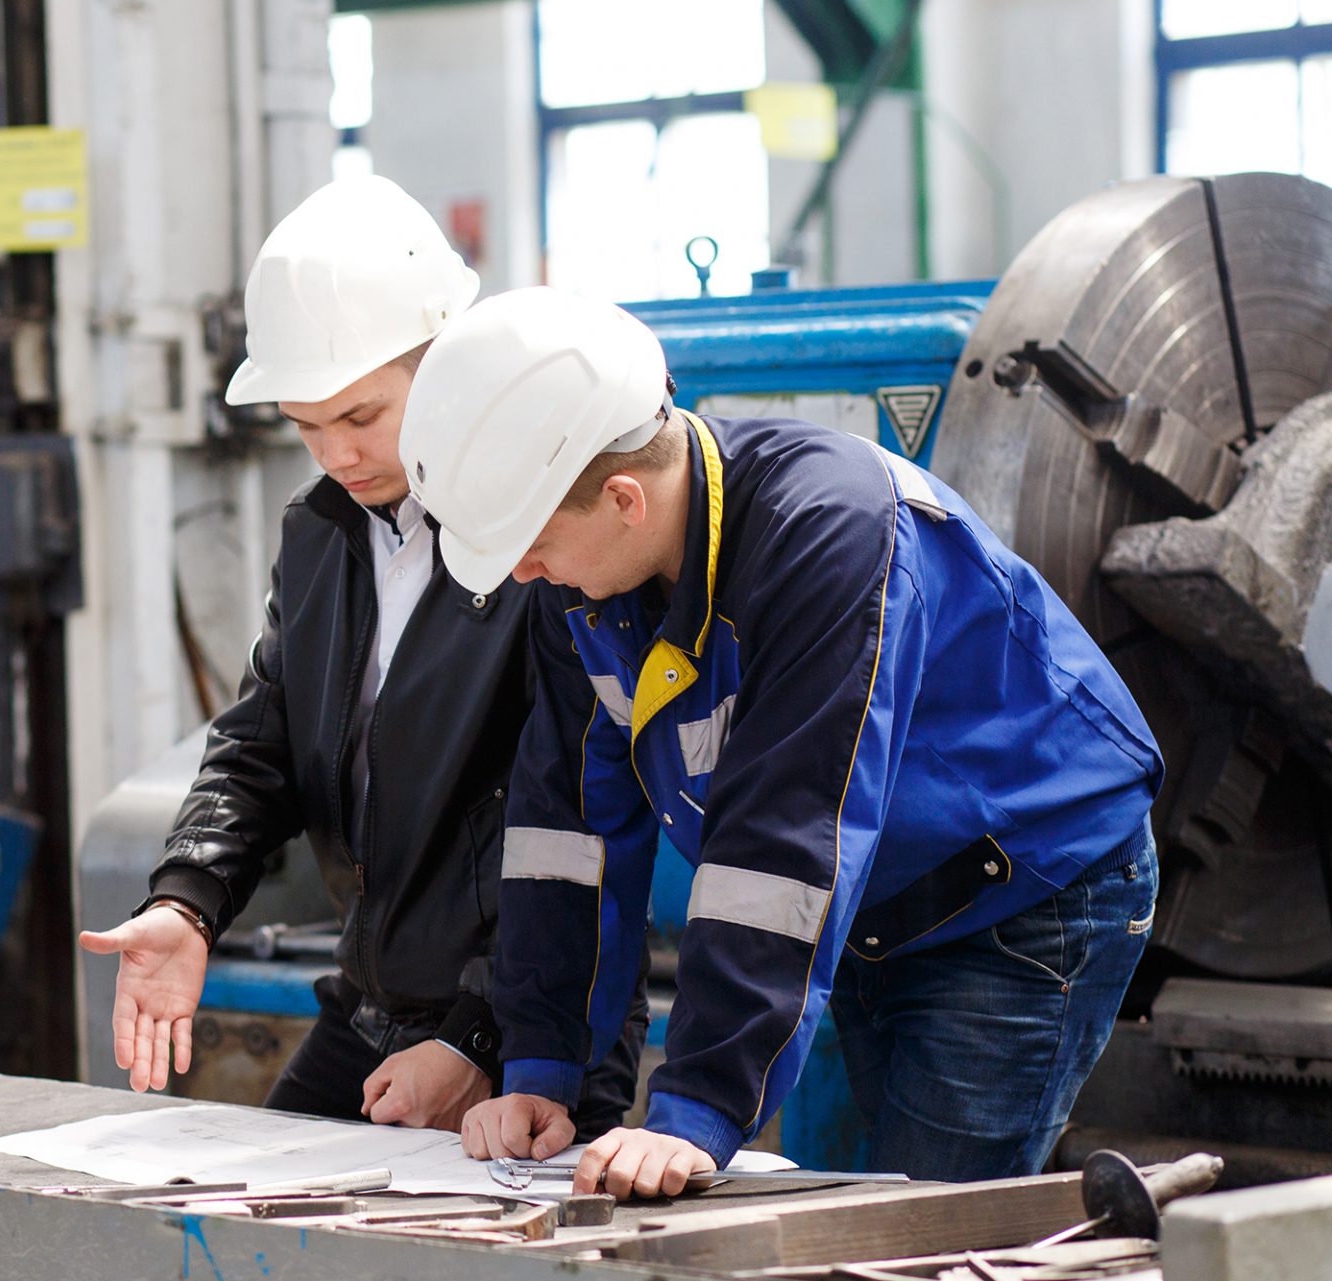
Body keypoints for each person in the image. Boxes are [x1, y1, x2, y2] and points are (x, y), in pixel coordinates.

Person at [397, 287, 1162, 1197]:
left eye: (531, 543)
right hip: (885, 900)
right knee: (872, 1214)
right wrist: (542, 1066)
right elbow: (568, 825)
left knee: (924, 1233)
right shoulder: (587, 579)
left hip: (1023, 888)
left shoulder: (829, 535)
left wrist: (694, 1111)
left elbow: (782, 844)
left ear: (624, 498)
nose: (523, 572)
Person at [79, 184, 646, 1136]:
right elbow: (260, 747)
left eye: (361, 415)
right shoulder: (323, 533)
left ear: (451, 360)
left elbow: (582, 812)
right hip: (370, 1006)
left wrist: (475, 1036)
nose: (335, 452)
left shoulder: (546, 537)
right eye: (305, 425)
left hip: (527, 1020)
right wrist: (187, 900)